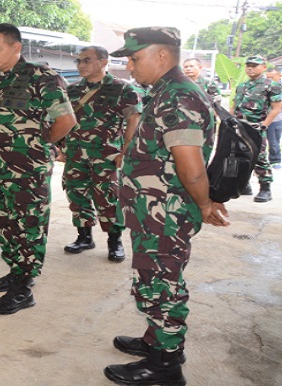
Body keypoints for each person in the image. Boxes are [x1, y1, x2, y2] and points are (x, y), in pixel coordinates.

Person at [104, 27, 229, 385]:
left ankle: (166, 366)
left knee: (162, 284)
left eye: (134, 57)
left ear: (161, 55)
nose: (129, 66)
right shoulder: (164, 92)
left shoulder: (178, 96)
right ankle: (156, 341)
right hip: (153, 210)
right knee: (152, 277)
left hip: (166, 213)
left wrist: (204, 203)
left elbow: (190, 166)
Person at [0, 23, 76, 315]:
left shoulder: (42, 77)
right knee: (3, 224)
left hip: (28, 171)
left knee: (28, 227)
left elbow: (66, 120)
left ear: (15, 47)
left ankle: (23, 287)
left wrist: (42, 145)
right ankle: (16, 270)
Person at [62, 45, 142, 263]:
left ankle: (114, 241)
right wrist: (60, 147)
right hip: (76, 153)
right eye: (78, 61)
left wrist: (125, 151)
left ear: (104, 62)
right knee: (76, 194)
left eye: (86, 60)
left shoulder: (121, 89)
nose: (81, 65)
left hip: (106, 155)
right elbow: (63, 120)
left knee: (108, 197)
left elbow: (133, 119)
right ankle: (84, 236)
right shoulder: (73, 90)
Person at [231, 55, 282, 202]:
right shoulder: (242, 86)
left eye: (254, 65)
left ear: (264, 67)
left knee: (259, 157)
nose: (250, 68)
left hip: (256, 127)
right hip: (239, 127)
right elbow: (234, 107)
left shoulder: (271, 85)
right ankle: (244, 185)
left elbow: (276, 108)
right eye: (248, 65)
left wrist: (264, 125)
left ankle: (265, 189)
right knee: (239, 156)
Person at [265, 67, 282, 170]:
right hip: (262, 117)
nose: (270, 79)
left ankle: (275, 160)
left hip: (276, 118)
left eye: (272, 77)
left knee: (273, 140)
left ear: (280, 76)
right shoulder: (264, 86)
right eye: (268, 77)